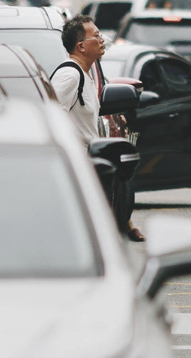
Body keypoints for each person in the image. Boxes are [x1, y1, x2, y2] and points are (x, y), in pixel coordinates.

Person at [51, 16, 143, 242]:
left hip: (91, 168)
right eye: (96, 37)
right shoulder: (70, 75)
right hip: (77, 168)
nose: (102, 40)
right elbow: (51, 116)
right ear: (80, 46)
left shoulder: (86, 73)